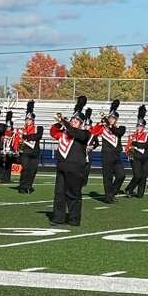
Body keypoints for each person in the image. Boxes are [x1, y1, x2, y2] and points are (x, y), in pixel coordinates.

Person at [49, 96, 91, 226]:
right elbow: (53, 132)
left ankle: (74, 219)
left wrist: (64, 122)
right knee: (59, 194)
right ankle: (58, 218)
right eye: (72, 120)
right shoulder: (64, 133)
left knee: (73, 194)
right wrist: (59, 123)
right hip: (61, 166)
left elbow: (74, 133)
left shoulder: (85, 134)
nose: (73, 122)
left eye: (77, 121)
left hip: (75, 168)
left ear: (81, 123)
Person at [96, 99, 127, 203]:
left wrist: (110, 125)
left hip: (116, 155)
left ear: (116, 120)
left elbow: (117, 132)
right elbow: (94, 132)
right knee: (107, 177)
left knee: (121, 175)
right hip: (106, 154)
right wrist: (101, 124)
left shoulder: (121, 127)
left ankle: (112, 192)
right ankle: (109, 197)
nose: (111, 120)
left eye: (113, 118)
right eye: (110, 118)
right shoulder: (103, 127)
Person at [123, 105, 148, 199]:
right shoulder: (132, 136)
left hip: (145, 158)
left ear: (144, 127)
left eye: (141, 126)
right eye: (138, 126)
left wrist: (135, 143)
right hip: (135, 158)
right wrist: (129, 152)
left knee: (144, 176)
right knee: (137, 175)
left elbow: (147, 145)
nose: (139, 127)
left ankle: (140, 193)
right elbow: (128, 147)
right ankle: (129, 189)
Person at [16, 101, 44, 194]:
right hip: (25, 152)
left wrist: (26, 137)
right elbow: (18, 140)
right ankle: (22, 186)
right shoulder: (22, 129)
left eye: (29, 120)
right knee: (25, 169)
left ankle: (29, 186)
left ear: (33, 120)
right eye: (26, 120)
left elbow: (38, 136)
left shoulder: (38, 128)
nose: (27, 121)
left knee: (33, 170)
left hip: (35, 152)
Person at [0, 110, 17, 183]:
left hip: (10, 150)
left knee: (8, 164)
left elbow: (15, 142)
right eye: (7, 126)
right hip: (2, 149)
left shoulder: (13, 134)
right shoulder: (2, 132)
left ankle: (7, 178)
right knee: (0, 164)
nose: (8, 128)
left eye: (9, 126)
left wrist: (13, 150)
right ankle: (0, 177)